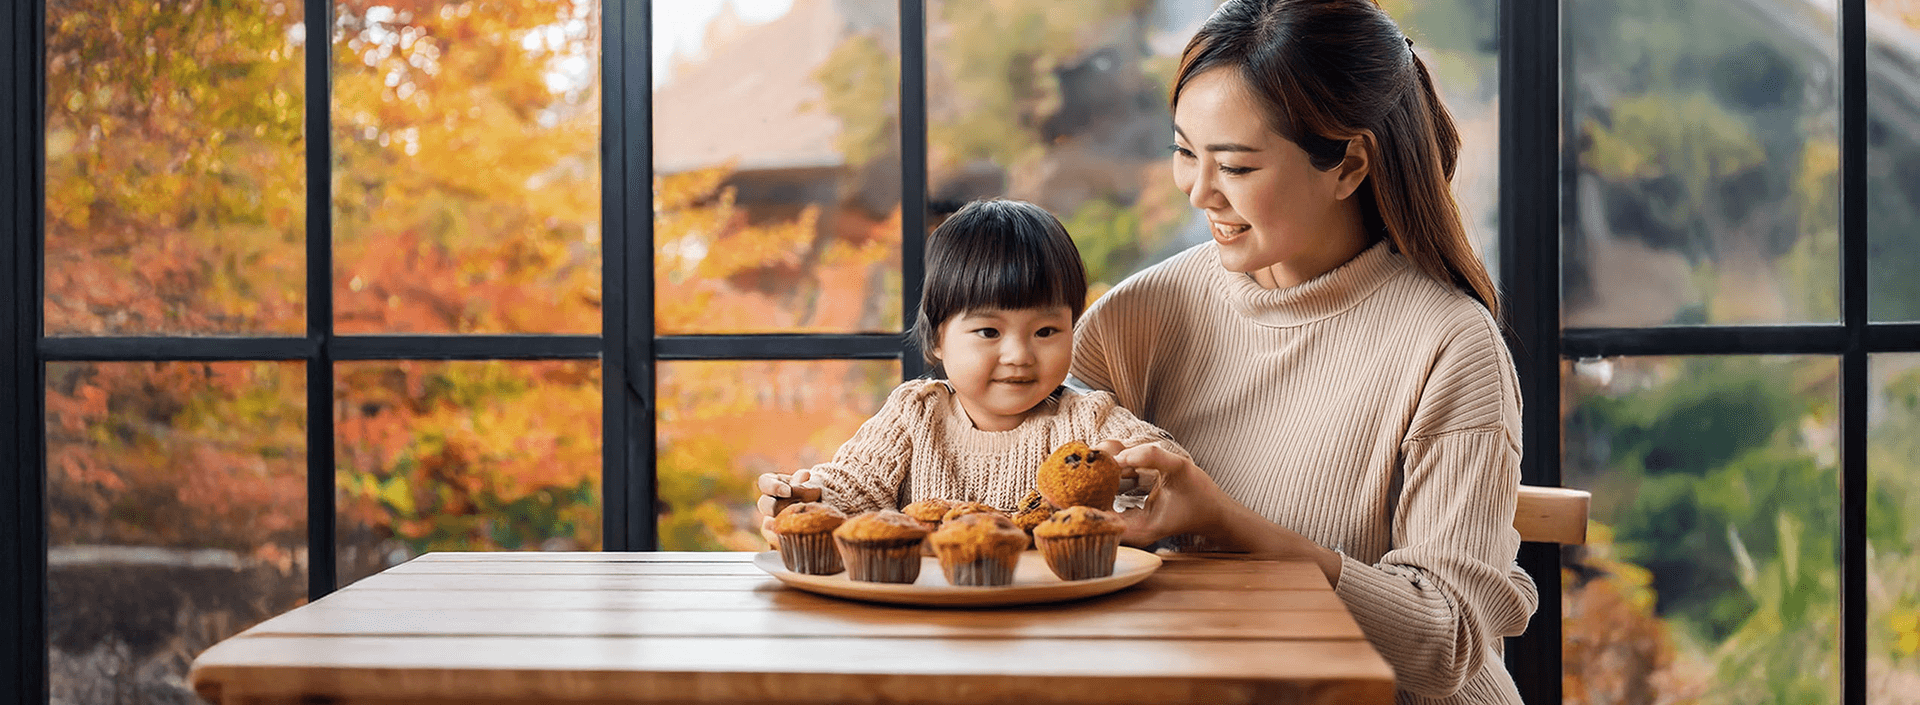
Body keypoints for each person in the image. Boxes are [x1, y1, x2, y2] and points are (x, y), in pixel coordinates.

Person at [1071, 1, 1536, 703]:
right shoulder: (1139, 316)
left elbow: (1446, 642)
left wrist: (1223, 522)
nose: (1199, 191)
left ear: (1348, 164)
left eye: (1235, 164)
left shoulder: (1450, 344)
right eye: (1184, 151)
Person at [755, 199, 1185, 537]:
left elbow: (1168, 465)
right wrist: (803, 498)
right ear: (937, 338)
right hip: (927, 618)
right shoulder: (916, 414)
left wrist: (1130, 472)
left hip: (1048, 621)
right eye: (988, 332)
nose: (1019, 354)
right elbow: (857, 486)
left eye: (1046, 331)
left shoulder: (1083, 419)